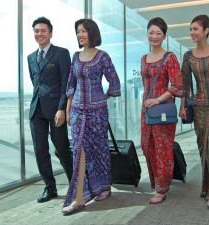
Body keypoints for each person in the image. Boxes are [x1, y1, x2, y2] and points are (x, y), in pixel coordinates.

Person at [62, 18, 121, 215]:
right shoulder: (75, 56)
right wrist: (69, 109)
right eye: (78, 31)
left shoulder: (102, 56)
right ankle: (79, 198)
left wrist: (103, 97)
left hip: (97, 112)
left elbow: (114, 81)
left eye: (83, 31)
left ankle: (103, 187)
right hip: (78, 111)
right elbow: (71, 85)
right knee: (78, 151)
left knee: (99, 151)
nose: (80, 35)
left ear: (92, 33)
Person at [179, 15, 209, 210]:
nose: (192, 33)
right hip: (198, 107)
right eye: (190, 29)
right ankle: (206, 186)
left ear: (206, 30)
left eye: (195, 29)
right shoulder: (188, 56)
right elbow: (185, 86)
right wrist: (182, 106)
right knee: (202, 146)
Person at [27, 17, 73, 203]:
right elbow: (35, 82)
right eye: (36, 31)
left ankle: (75, 185)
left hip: (56, 110)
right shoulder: (31, 57)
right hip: (36, 110)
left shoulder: (61, 53)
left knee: (62, 148)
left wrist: (62, 108)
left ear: (50, 33)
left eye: (43, 30)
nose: (40, 34)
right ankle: (50, 188)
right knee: (40, 150)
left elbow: (66, 84)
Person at [141, 17, 183, 204]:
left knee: (162, 149)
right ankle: (157, 182)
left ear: (164, 36)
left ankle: (162, 188)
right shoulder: (143, 59)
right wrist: (148, 102)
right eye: (151, 32)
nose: (154, 36)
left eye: (158, 33)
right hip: (146, 109)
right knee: (147, 146)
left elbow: (178, 86)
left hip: (163, 109)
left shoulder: (170, 57)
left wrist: (157, 99)